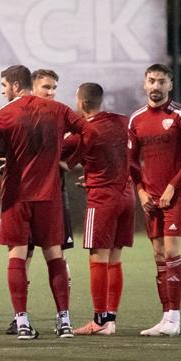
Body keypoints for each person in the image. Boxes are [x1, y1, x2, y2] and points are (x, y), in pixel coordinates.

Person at [0, 65, 95, 339]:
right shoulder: (59, 110)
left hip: (17, 197)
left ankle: (22, 322)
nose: (3, 91)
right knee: (55, 256)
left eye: (4, 85)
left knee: (17, 256)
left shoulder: (4, 113)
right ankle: (64, 321)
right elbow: (91, 133)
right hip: (49, 196)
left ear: (16, 86)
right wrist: (72, 162)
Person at [0, 69, 75, 335]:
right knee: (22, 257)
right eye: (46, 87)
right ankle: (21, 317)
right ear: (31, 88)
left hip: (53, 198)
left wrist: (68, 161)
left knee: (57, 255)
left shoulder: (59, 117)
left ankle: (61, 317)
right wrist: (10, 168)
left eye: (54, 88)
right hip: (22, 198)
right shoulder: (15, 117)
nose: (51, 93)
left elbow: (79, 144)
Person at [128, 64, 181, 337]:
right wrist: (141, 191)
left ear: (170, 85)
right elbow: (130, 162)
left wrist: (173, 186)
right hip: (151, 197)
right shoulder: (136, 119)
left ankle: (174, 318)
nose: (156, 86)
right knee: (158, 255)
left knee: (171, 253)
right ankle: (165, 317)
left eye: (161, 81)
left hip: (177, 194)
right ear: (145, 83)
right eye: (152, 81)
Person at [64, 83, 134, 335]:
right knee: (115, 258)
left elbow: (58, 157)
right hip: (127, 195)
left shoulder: (84, 131)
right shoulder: (122, 121)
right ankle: (110, 320)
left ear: (82, 102)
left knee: (98, 257)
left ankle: (99, 320)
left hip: (103, 198)